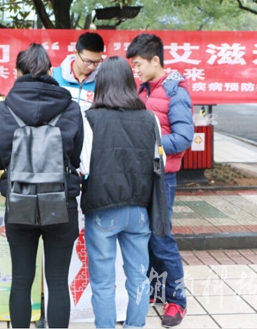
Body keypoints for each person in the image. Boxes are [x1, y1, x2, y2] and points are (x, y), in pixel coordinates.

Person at [0, 43, 84, 328]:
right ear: (51, 72)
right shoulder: (71, 108)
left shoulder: (2, 109)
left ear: (17, 73)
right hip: (61, 204)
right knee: (57, 281)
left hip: (19, 202)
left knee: (21, 280)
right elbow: (75, 158)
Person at [80, 56, 164, 329]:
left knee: (103, 281)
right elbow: (159, 162)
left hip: (101, 208)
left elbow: (83, 165)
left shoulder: (89, 118)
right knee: (138, 277)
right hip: (139, 209)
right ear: (130, 82)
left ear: (101, 83)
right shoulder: (149, 118)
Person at [126, 33, 194, 328]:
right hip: (143, 174)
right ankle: (156, 289)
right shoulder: (143, 90)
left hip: (163, 177)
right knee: (146, 236)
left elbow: (183, 138)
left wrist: (147, 145)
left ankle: (177, 301)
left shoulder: (175, 92)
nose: (136, 70)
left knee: (161, 237)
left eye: (138, 64)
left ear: (155, 60)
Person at [52, 32, 104, 110]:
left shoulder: (103, 80)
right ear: (75, 53)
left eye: (96, 62)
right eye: (87, 61)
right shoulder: (55, 76)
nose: (91, 67)